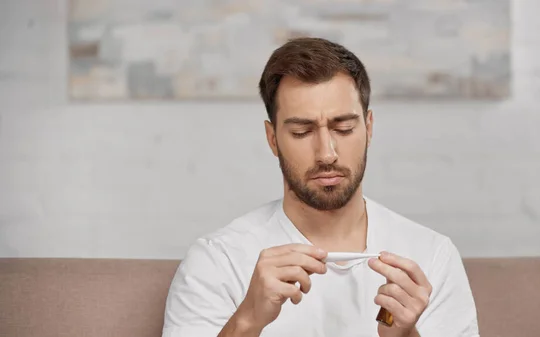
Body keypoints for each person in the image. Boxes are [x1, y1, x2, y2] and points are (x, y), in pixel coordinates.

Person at [161, 37, 480, 337]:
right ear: (273, 139)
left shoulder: (431, 256)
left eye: (344, 127)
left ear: (368, 128)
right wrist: (247, 321)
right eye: (301, 131)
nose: (327, 153)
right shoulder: (218, 261)